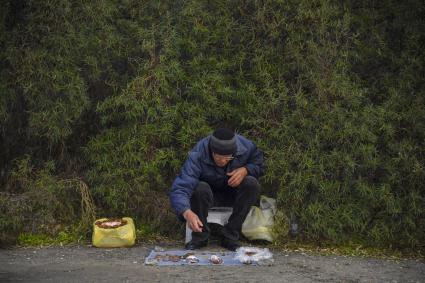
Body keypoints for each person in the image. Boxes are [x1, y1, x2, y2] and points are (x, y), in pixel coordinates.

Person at [169, 128, 264, 251]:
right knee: (199, 188)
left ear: (234, 153)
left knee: (252, 184)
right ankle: (200, 237)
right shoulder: (198, 153)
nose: (223, 161)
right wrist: (186, 212)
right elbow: (181, 187)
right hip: (208, 196)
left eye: (228, 158)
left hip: (234, 194)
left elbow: (260, 165)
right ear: (211, 151)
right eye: (218, 158)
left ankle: (230, 236)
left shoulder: (246, 146)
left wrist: (246, 170)